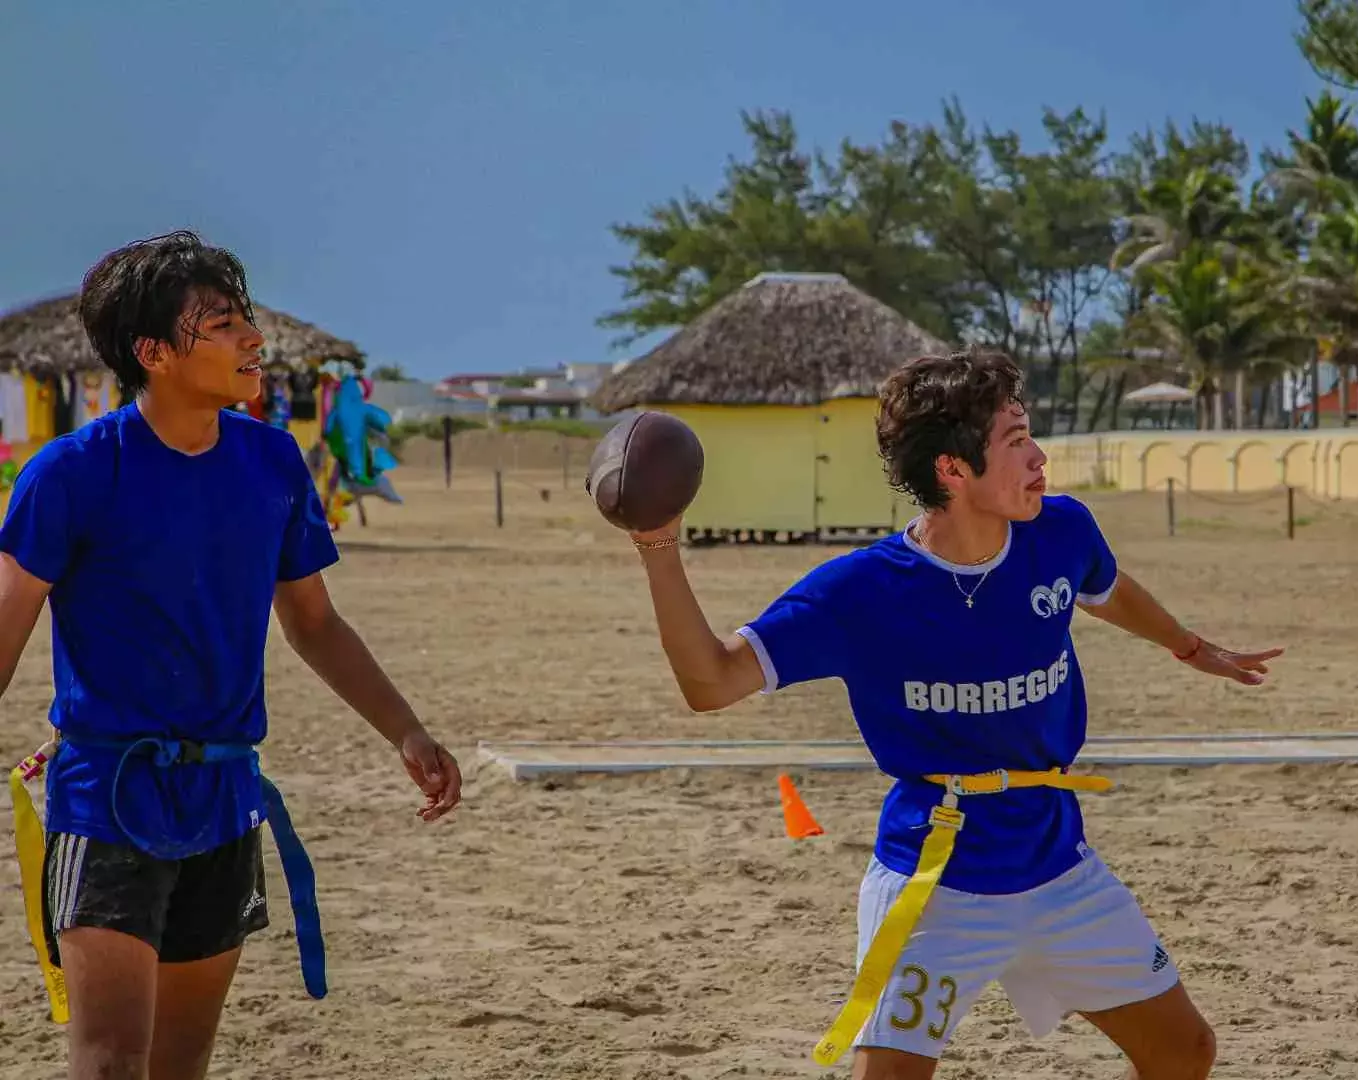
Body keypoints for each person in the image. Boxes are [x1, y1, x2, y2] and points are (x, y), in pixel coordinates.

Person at [626, 347, 1282, 1079]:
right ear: (953, 469)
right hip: (934, 888)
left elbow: (1104, 587)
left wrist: (1188, 646)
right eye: (1015, 441)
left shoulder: (1060, 533)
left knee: (1183, 1050)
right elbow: (710, 682)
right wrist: (657, 546)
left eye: (1030, 433)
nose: (1038, 457)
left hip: (1060, 869)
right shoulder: (859, 593)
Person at [0, 231, 463, 1080]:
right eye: (222, 323)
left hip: (223, 797)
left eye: (246, 318)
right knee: (109, 1064)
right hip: (106, 800)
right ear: (154, 354)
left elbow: (315, 624)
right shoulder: (69, 475)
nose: (253, 338)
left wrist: (407, 731)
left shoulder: (271, 462)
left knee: (182, 1065)